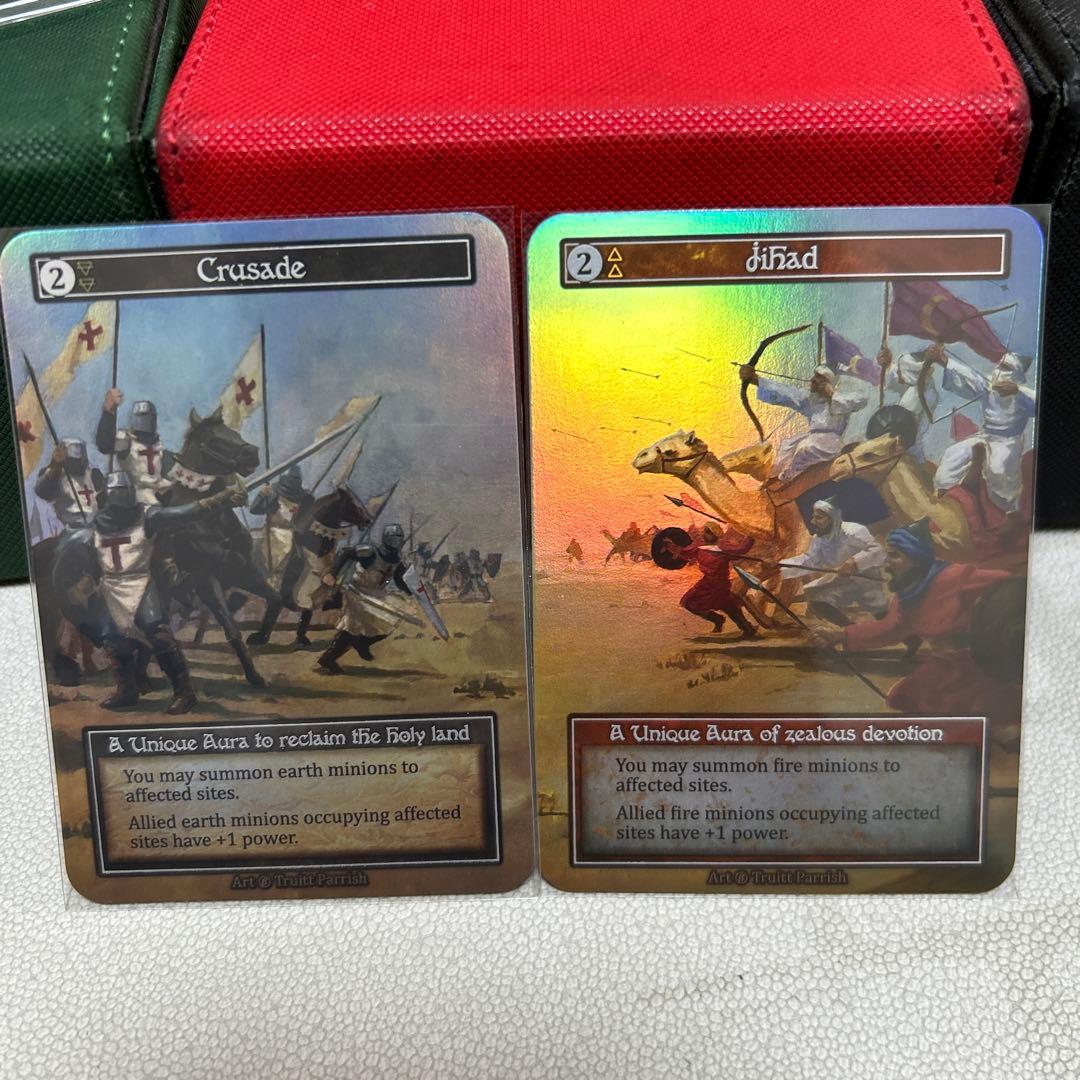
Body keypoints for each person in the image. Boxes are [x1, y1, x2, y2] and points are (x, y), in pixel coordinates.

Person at [810, 519, 1014, 713]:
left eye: (895, 555)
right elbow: (890, 629)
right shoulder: (907, 596)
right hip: (943, 665)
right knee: (905, 698)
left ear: (916, 559)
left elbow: (1010, 585)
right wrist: (839, 635)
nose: (887, 563)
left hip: (978, 668)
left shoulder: (955, 576)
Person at [86, 470, 246, 712]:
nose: (119, 500)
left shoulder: (148, 516)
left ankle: (184, 692)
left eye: (122, 493)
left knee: (158, 635)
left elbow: (185, 513)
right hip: (110, 586)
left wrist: (220, 498)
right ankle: (127, 690)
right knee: (113, 641)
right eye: (115, 494)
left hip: (140, 581)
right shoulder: (97, 523)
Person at [933, 351, 1036, 514]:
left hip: (1008, 442)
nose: (999, 369)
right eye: (1000, 365)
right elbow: (969, 376)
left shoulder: (1022, 394)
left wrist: (1016, 391)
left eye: (1006, 367)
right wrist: (945, 361)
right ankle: (943, 496)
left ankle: (1005, 511)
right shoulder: (988, 385)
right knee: (954, 454)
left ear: (1016, 375)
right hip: (986, 436)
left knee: (998, 469)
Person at [741, 364, 867, 483]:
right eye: (815, 376)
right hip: (813, 437)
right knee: (787, 446)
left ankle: (787, 478)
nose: (813, 380)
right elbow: (786, 392)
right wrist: (756, 380)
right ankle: (773, 481)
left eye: (819, 378)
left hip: (830, 442)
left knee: (805, 448)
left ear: (828, 383)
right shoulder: (810, 399)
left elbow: (861, 400)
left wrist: (832, 394)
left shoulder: (841, 399)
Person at [314, 523, 408, 674]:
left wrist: (411, 590)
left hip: (376, 594)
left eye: (399, 537)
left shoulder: (397, 561)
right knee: (353, 628)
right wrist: (333, 572)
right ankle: (328, 658)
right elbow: (345, 552)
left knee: (388, 620)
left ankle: (362, 643)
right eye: (394, 537)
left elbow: (400, 580)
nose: (396, 540)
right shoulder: (370, 551)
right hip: (357, 592)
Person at [778, 499, 887, 624]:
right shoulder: (819, 539)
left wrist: (854, 562)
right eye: (814, 517)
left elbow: (878, 550)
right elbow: (810, 560)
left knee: (881, 613)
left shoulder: (854, 531)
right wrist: (779, 567)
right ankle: (848, 629)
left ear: (833, 518)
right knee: (819, 602)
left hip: (866, 581)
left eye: (819, 518)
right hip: (841, 582)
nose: (813, 521)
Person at [665, 523, 758, 638]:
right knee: (689, 602)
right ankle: (718, 619)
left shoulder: (723, 547)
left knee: (727, 605)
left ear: (715, 533)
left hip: (720, 584)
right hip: (707, 582)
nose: (705, 534)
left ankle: (747, 629)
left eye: (708, 532)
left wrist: (750, 536)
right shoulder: (700, 547)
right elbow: (685, 552)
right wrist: (670, 545)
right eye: (705, 531)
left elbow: (741, 549)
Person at [95, 389, 172, 504]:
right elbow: (104, 445)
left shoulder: (158, 445)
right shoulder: (126, 440)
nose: (145, 421)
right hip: (135, 497)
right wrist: (108, 411)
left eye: (148, 417)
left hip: (159, 494)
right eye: (142, 417)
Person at [876, 344, 943, 462]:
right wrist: (886, 364)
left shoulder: (925, 392)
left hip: (908, 450)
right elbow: (896, 379)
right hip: (897, 446)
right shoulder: (904, 368)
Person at [33, 439, 104, 527]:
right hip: (68, 526)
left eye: (79, 461)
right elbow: (42, 491)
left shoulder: (94, 474)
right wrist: (55, 467)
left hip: (94, 524)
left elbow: (104, 499)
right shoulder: (56, 476)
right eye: (73, 461)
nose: (77, 465)